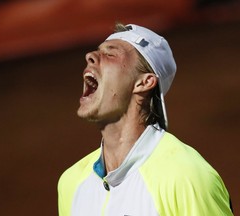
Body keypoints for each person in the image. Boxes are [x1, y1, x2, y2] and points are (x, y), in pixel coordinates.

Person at [58, 23, 233, 216]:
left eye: (110, 54)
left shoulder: (186, 176)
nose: (90, 56)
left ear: (145, 82)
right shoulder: (71, 183)